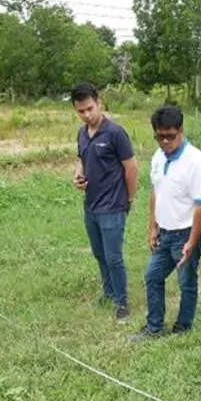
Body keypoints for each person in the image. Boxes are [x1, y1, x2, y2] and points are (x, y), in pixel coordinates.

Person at [130, 106, 201, 341]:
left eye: (170, 136)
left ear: (181, 131)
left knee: (186, 280)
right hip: (165, 231)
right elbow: (156, 192)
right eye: (159, 137)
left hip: (187, 232)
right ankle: (154, 328)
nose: (165, 142)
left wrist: (192, 241)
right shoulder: (158, 157)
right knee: (152, 276)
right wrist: (152, 227)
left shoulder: (196, 161)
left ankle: (183, 326)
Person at [71, 83, 138, 323]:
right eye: (81, 111)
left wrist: (128, 198)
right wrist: (77, 175)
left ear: (99, 103)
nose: (86, 115)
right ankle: (108, 293)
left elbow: (131, 168)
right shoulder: (82, 133)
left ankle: (122, 303)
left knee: (113, 257)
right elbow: (82, 158)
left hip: (112, 205)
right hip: (91, 205)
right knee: (99, 253)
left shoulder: (115, 133)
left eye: (90, 108)